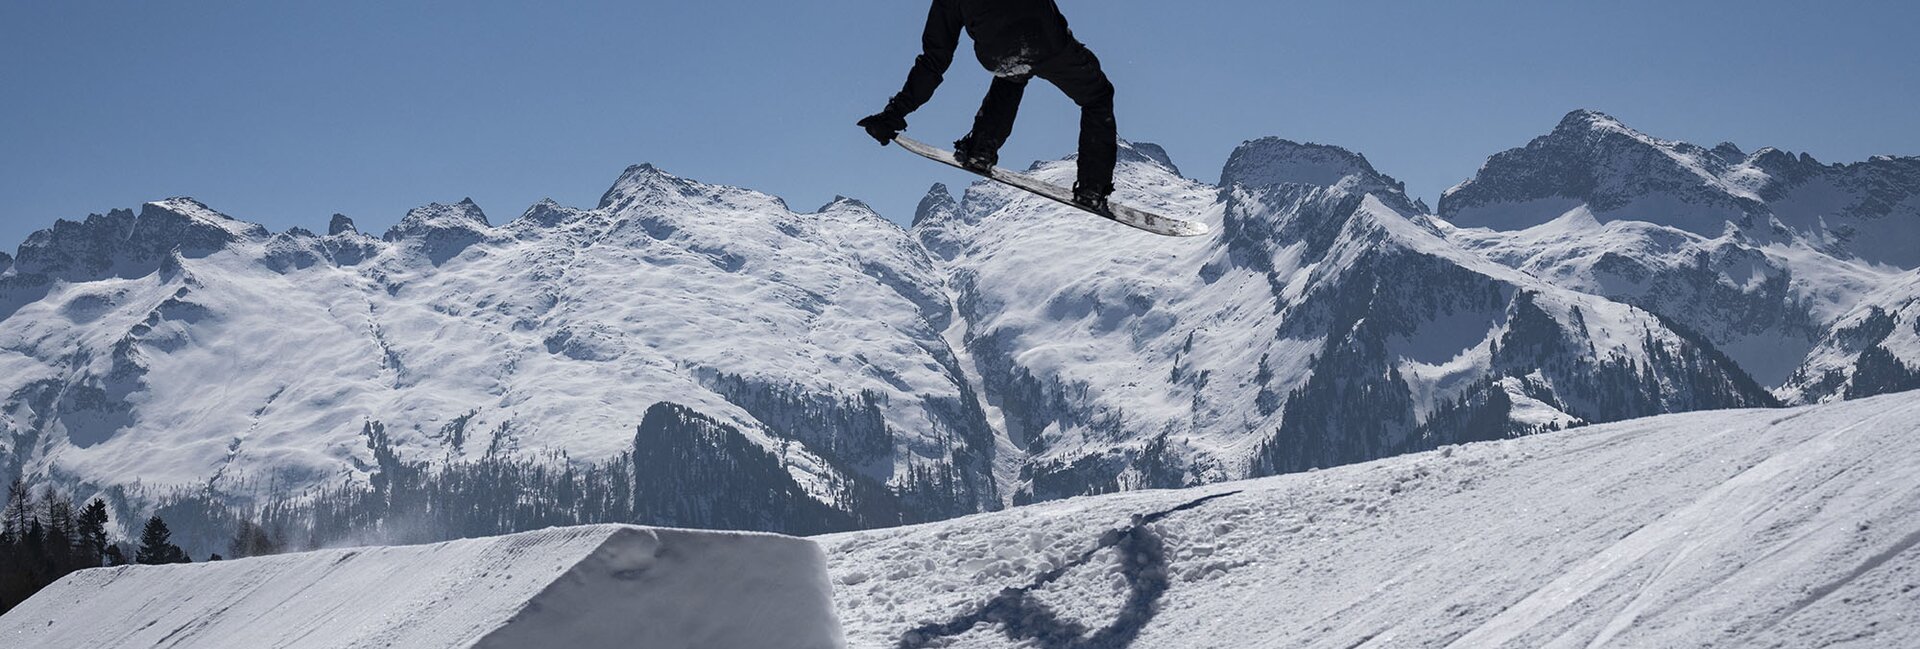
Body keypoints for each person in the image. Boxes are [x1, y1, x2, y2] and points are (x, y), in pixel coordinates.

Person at [859, 0, 1118, 212]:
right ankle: (1092, 188)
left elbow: (933, 61)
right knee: (1097, 96)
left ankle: (981, 148)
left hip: (998, 53)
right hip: (1045, 40)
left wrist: (893, 114)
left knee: (1011, 75)